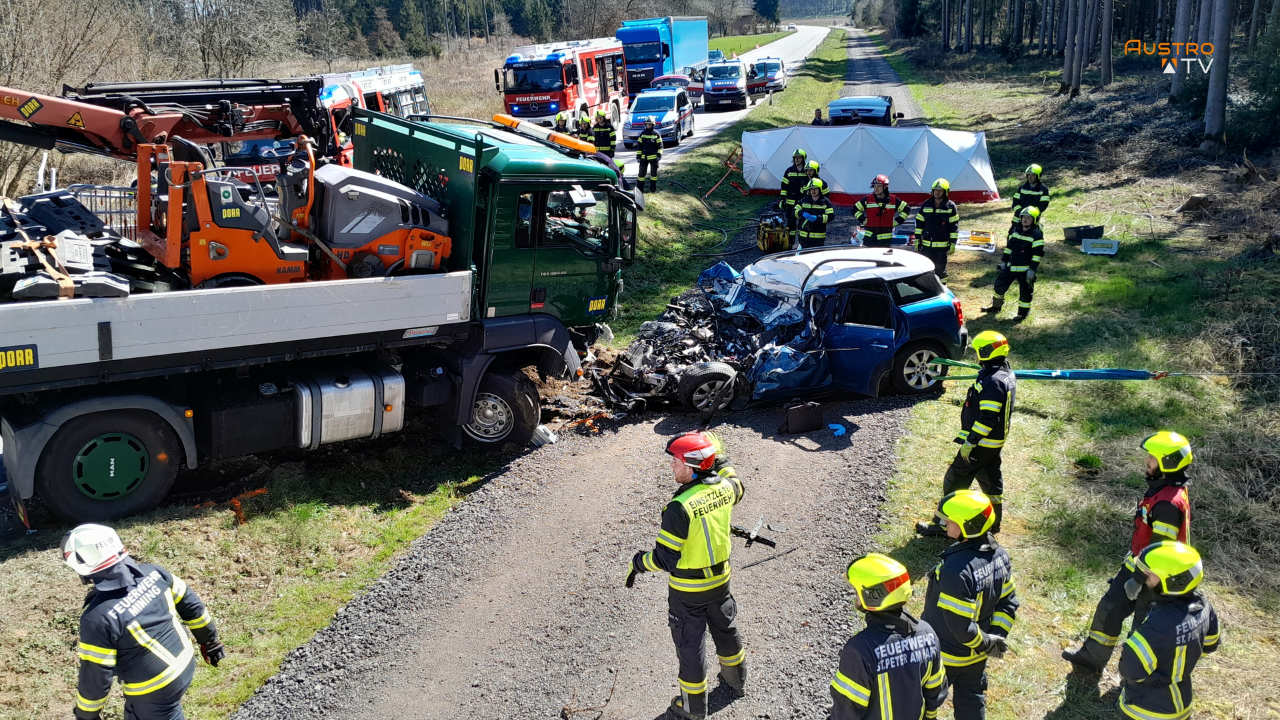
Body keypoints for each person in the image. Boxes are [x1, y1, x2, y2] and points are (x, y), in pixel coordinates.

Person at [627, 432, 747, 720]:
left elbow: (665, 558)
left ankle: (692, 709)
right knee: (725, 629)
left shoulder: (679, 508)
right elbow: (736, 481)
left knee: (690, 647)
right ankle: (736, 681)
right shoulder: (726, 488)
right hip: (721, 583)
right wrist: (717, 452)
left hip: (688, 591)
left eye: (676, 461)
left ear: (692, 467)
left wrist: (638, 563)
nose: (672, 467)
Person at [1063, 431, 1194, 674]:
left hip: (1155, 580)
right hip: (1138, 567)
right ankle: (1091, 659)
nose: (1147, 461)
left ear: (1168, 463)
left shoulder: (1167, 504)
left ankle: (1131, 682)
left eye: (1153, 458)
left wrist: (1136, 580)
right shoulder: (1161, 489)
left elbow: (1159, 554)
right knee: (1109, 608)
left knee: (1141, 631)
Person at [63, 524, 225, 720]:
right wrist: (210, 641)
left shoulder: (97, 618)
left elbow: (95, 675)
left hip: (155, 688)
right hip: (185, 662)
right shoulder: (154, 573)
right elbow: (192, 606)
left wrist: (86, 715)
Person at [920, 490, 1019, 720]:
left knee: (926, 702)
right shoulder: (1000, 556)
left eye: (951, 521)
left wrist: (984, 643)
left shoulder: (956, 570)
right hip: (977, 658)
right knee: (972, 701)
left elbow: (960, 625)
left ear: (968, 526)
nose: (945, 523)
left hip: (945, 655)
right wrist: (995, 638)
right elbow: (1009, 602)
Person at [917, 331, 1015, 538]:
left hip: (981, 444)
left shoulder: (993, 382)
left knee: (954, 481)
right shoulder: (1004, 373)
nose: (977, 356)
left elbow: (987, 418)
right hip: (993, 445)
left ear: (987, 352)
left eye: (979, 351)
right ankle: (993, 523)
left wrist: (971, 441)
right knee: (991, 483)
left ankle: (943, 525)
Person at [831, 553, 948, 720]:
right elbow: (935, 690)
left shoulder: (860, 650)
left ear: (872, 597)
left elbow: (846, 712)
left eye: (857, 591)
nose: (855, 595)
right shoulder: (927, 634)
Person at [1117, 541, 1220, 720]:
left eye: (1149, 575)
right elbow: (1210, 645)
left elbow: (1130, 670)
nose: (1144, 578)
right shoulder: (1204, 607)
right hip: (1183, 705)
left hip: (1145, 711)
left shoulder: (1155, 628)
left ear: (1174, 582)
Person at [982, 206, 1044, 323]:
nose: (1025, 220)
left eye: (1028, 218)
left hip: (1025, 270)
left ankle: (1022, 314)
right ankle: (996, 307)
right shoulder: (1015, 231)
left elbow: (1037, 255)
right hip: (1011, 267)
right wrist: (1004, 262)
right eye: (1023, 217)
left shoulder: (1036, 235)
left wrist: (1032, 270)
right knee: (999, 286)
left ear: (1035, 220)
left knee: (1025, 293)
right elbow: (1008, 249)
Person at [916, 178, 960, 278]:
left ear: (945, 192)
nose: (937, 192)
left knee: (940, 271)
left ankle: (942, 289)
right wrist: (917, 239)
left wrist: (953, 243)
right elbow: (919, 224)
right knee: (926, 270)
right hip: (926, 245)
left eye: (940, 191)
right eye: (935, 190)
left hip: (942, 246)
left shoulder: (950, 206)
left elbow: (954, 227)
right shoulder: (926, 204)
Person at [853, 175, 910, 248]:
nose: (876, 188)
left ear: (885, 187)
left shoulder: (893, 200)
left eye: (879, 186)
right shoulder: (868, 199)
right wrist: (863, 220)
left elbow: (906, 209)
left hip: (885, 241)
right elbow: (855, 209)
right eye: (874, 186)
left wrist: (897, 221)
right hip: (870, 239)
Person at [795, 179, 835, 248]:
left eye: (815, 189)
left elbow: (831, 216)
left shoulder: (825, 202)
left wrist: (817, 218)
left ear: (820, 189)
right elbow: (795, 211)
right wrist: (801, 213)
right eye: (811, 189)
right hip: (803, 237)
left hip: (818, 238)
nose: (813, 191)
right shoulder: (804, 200)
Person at [779, 149, 811, 232]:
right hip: (790, 203)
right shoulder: (789, 171)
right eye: (795, 158)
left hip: (804, 203)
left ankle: (802, 242)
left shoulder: (808, 171)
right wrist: (782, 199)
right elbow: (784, 187)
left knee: (804, 224)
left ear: (803, 159)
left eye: (799, 157)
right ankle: (790, 242)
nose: (796, 159)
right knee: (790, 225)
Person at [637, 117, 663, 193]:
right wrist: (638, 156)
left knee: (653, 175)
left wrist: (659, 155)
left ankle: (653, 189)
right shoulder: (642, 134)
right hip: (643, 158)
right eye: (647, 124)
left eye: (649, 124)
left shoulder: (656, 134)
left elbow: (660, 146)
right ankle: (640, 190)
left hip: (654, 158)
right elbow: (639, 146)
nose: (648, 126)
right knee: (641, 175)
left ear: (653, 125)